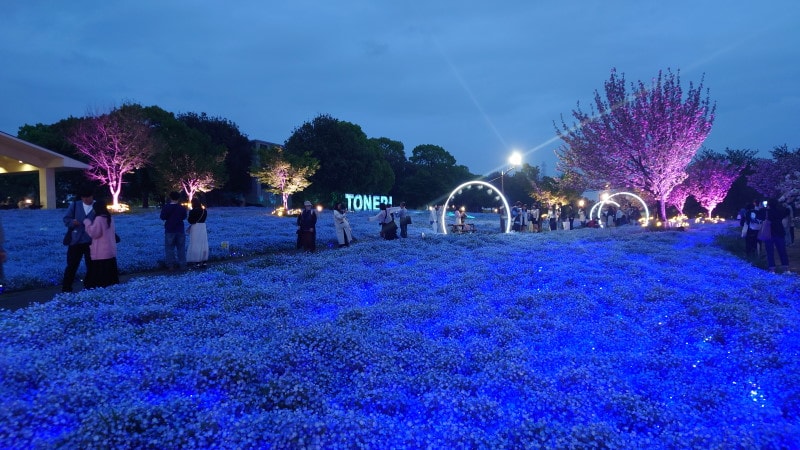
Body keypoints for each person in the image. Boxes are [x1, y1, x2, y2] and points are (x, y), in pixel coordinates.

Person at [62, 185, 96, 292]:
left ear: (92, 196)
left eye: (88, 197)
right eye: (84, 197)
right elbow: (66, 219)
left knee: (91, 266)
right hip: (75, 241)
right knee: (72, 266)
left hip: (91, 241)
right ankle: (66, 288)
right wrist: (72, 222)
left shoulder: (97, 206)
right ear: (81, 198)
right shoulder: (75, 205)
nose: (86, 199)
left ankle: (89, 286)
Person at [83, 199, 119, 288]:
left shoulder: (99, 219)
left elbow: (94, 234)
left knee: (101, 279)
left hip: (101, 253)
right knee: (111, 278)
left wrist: (87, 223)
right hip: (110, 251)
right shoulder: (109, 217)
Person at [160, 191, 187, 271]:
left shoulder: (166, 207)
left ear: (170, 197)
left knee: (169, 248)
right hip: (180, 229)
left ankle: (171, 266)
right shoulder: (182, 208)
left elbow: (162, 217)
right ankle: (183, 265)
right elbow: (184, 217)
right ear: (178, 198)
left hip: (169, 230)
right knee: (181, 248)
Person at [763, 198, 790, 273]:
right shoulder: (780, 211)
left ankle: (772, 269)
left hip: (769, 233)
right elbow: (787, 211)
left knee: (770, 252)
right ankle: (786, 268)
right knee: (782, 251)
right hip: (779, 232)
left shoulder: (767, 212)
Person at [186, 198, 209, 268]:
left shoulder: (192, 211)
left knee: (195, 243)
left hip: (195, 227)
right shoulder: (204, 211)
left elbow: (190, 221)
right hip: (203, 227)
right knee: (203, 243)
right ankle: (204, 261)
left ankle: (197, 262)